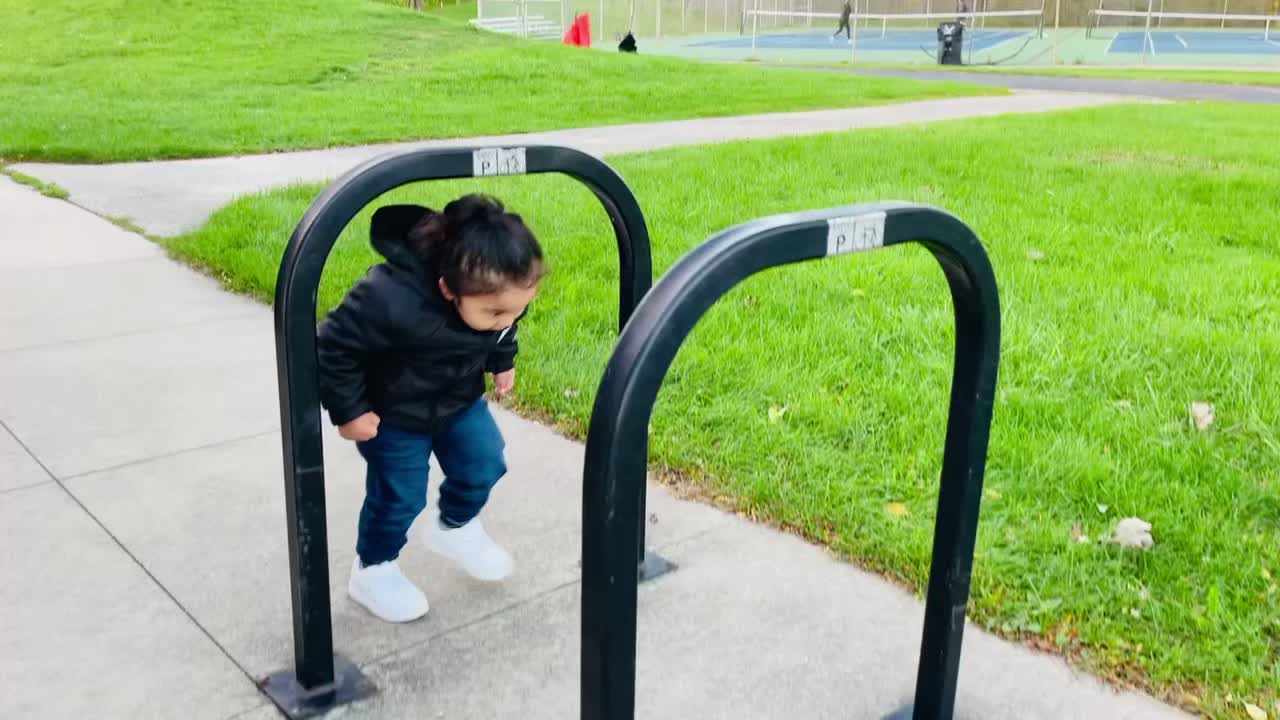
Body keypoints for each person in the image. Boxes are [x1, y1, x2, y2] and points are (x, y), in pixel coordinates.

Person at [316, 194, 544, 623]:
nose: (507, 319)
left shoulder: (498, 302)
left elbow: (501, 330)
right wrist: (348, 410)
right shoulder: (388, 296)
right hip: (392, 414)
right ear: (447, 288)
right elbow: (333, 346)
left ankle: (454, 527)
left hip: (456, 399)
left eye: (516, 309)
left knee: (485, 462)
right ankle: (373, 568)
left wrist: (502, 361)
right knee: (401, 494)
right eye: (495, 311)